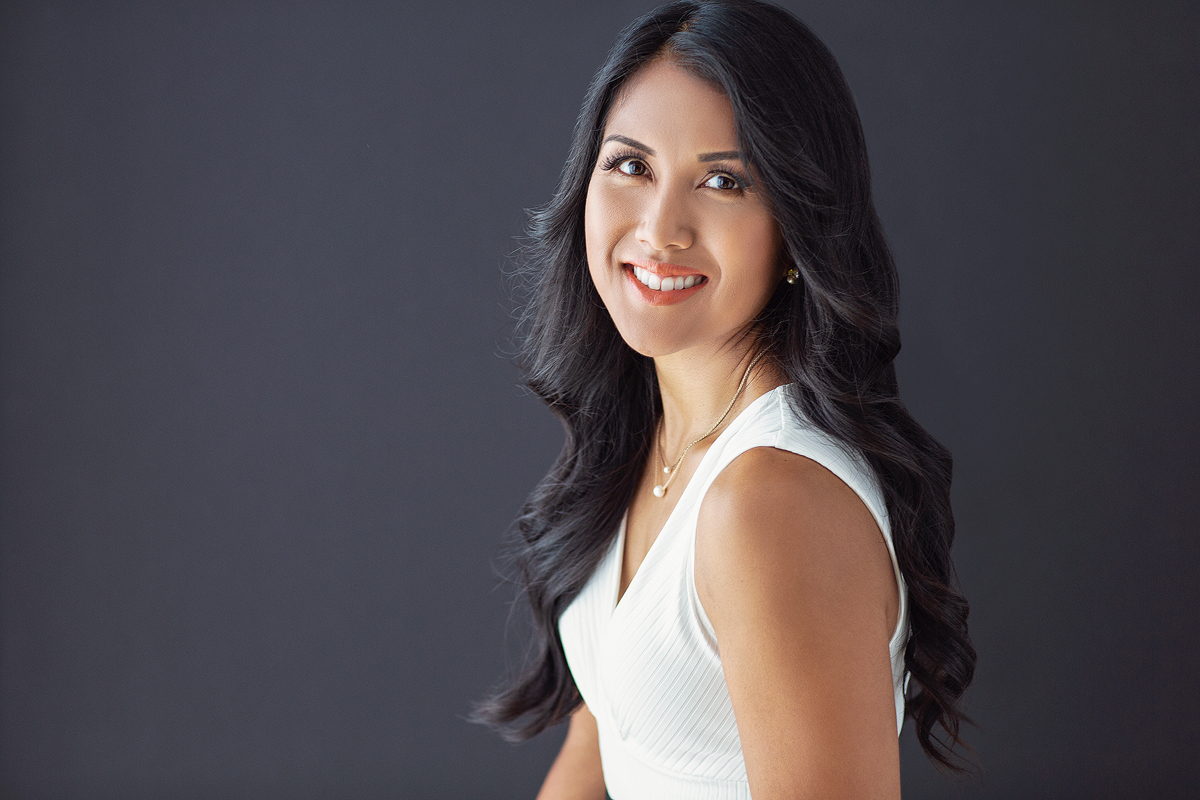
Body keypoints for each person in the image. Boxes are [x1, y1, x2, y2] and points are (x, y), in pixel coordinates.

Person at [474, 1, 975, 797]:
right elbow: (595, 757)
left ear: (795, 232)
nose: (660, 229)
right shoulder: (649, 441)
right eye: (631, 166)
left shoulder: (769, 499)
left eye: (722, 180)